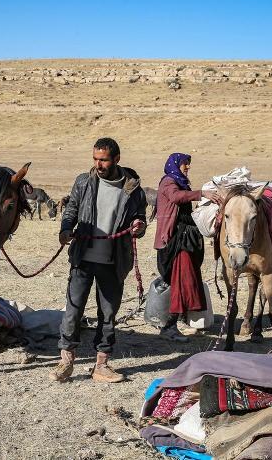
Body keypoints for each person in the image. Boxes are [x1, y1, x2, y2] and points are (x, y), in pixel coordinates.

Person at [49, 138, 147, 383]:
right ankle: (66, 362)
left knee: (108, 313)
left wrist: (139, 225)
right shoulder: (84, 182)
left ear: (116, 159)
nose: (98, 164)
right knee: (73, 309)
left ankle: (101, 365)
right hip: (83, 256)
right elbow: (71, 209)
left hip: (114, 260)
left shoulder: (132, 188)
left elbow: (140, 216)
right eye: (95, 159)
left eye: (103, 159)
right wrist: (65, 229)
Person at [154, 153, 218, 342]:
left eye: (189, 164)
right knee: (182, 281)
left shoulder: (180, 182)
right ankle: (169, 326)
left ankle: (183, 319)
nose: (188, 167)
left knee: (187, 279)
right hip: (175, 241)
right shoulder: (168, 182)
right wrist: (202, 194)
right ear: (175, 165)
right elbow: (175, 197)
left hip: (184, 239)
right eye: (185, 164)